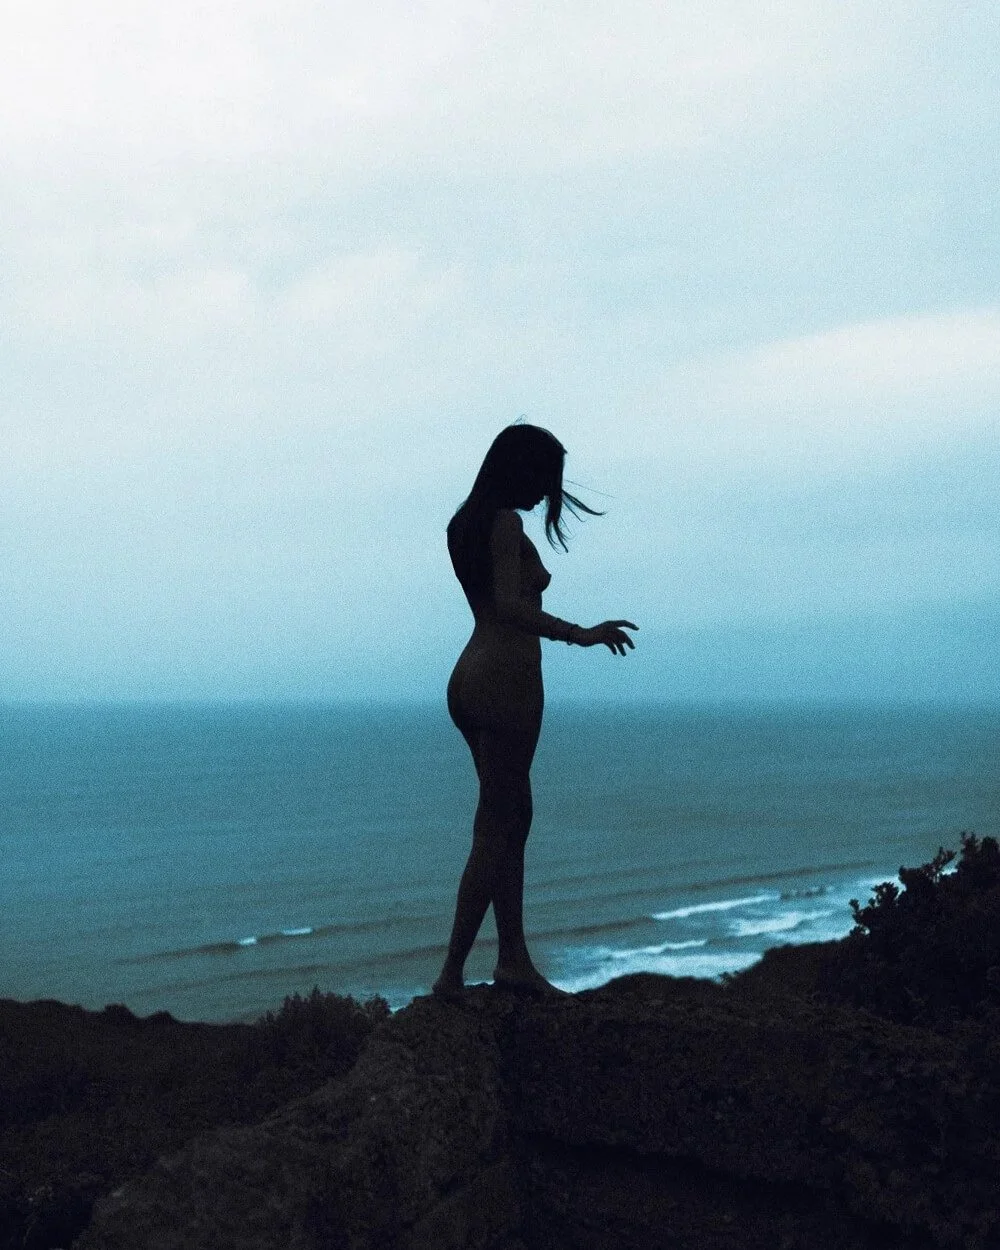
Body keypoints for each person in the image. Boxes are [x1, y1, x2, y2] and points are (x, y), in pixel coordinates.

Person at [433, 423, 637, 997]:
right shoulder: (505, 523)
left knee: (510, 818)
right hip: (505, 678)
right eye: (543, 477)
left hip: (470, 675)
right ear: (518, 469)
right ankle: (452, 974)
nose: (547, 491)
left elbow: (490, 603)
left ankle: (512, 958)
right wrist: (582, 633)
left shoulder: (462, 524)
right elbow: (509, 606)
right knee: (497, 825)